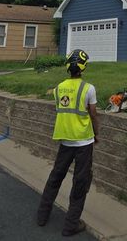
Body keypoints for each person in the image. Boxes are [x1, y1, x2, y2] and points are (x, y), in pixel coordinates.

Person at [37, 49, 99, 236]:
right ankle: (71, 224)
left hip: (65, 141)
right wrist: (97, 134)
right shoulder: (88, 89)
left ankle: (42, 215)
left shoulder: (59, 88)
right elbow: (93, 115)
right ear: (83, 67)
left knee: (55, 177)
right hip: (83, 142)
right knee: (80, 182)